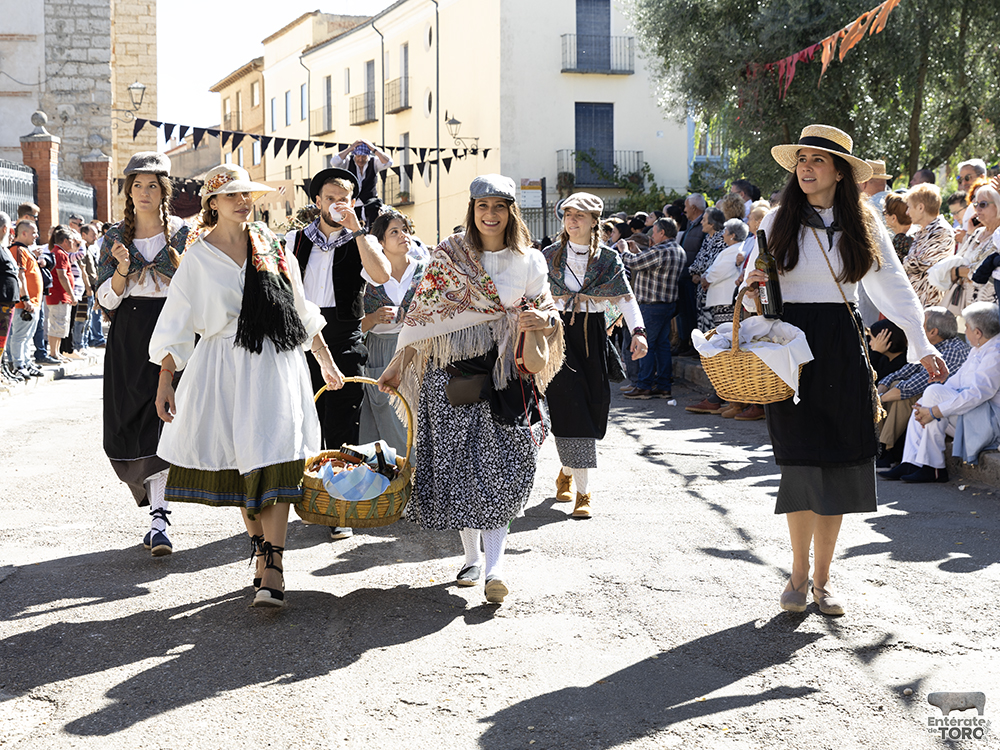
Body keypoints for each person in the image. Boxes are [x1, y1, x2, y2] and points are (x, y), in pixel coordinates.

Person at [742, 124, 947, 616]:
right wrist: (751, 289)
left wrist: (920, 344)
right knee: (800, 463)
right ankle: (795, 577)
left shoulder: (865, 223)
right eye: (801, 160)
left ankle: (823, 581)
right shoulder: (776, 220)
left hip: (842, 341)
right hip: (792, 346)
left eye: (817, 160)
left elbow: (893, 287)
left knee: (836, 463)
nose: (806, 168)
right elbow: (757, 289)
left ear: (839, 171)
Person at [150, 164, 343, 609]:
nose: (242, 201)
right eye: (231, 195)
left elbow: (297, 306)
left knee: (274, 457)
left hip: (276, 365)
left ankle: (273, 565)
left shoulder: (272, 246)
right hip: (223, 367)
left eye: (246, 194)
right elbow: (176, 320)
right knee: (243, 463)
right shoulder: (197, 256)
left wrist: (325, 360)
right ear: (212, 203)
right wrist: (166, 379)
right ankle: (259, 550)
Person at [377, 174, 564, 604]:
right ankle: (472, 559)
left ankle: (496, 565)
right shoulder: (448, 256)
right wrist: (396, 366)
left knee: (507, 467)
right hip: (454, 376)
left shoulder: (530, 260)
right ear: (473, 210)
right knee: (460, 468)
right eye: (483, 206)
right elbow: (422, 319)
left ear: (511, 212)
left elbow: (550, 309)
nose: (491, 214)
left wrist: (544, 322)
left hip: (509, 377)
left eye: (499, 206)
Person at [285, 167, 391, 541]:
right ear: (317, 202)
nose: (336, 205)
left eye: (343, 199)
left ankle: (340, 506)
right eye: (329, 198)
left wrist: (358, 229)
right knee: (303, 416)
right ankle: (307, 494)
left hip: (345, 335)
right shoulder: (295, 240)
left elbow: (380, 275)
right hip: (299, 334)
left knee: (343, 421)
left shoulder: (361, 239)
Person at [96, 152, 190, 556]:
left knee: (165, 420)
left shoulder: (185, 234)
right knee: (132, 421)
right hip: (130, 333)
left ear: (163, 191)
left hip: (173, 328)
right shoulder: (114, 237)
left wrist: (176, 265)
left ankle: (160, 517)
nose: (144, 192)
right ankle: (157, 511)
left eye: (152, 185)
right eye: (137, 185)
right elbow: (106, 301)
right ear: (129, 191)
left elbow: (195, 288)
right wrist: (121, 270)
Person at [543, 192, 647, 518]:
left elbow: (625, 298)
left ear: (593, 222)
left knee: (593, 407)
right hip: (557, 336)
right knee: (569, 408)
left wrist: (638, 333)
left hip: (592, 336)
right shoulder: (549, 256)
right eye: (568, 215)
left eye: (580, 216)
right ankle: (584, 495)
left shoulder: (607, 260)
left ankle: (568, 471)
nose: (572, 220)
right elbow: (531, 294)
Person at [881, 302, 1000, 483]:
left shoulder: (995, 353)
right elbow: (955, 381)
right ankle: (913, 462)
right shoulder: (979, 349)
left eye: (967, 327)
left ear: (978, 333)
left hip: (990, 422)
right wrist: (930, 409)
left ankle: (932, 466)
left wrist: (935, 411)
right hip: (974, 416)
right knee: (927, 400)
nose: (964, 332)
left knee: (934, 395)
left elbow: (978, 394)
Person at [359, 208, 427, 453]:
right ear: (381, 242)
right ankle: (394, 478)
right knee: (387, 415)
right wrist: (374, 317)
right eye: (395, 232)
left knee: (417, 415)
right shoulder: (368, 276)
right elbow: (356, 326)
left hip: (418, 348)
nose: (403, 236)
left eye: (405, 230)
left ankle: (418, 477)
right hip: (381, 348)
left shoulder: (425, 271)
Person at [877, 307, 969, 468]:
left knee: (905, 395)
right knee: (894, 385)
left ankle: (886, 450)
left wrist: (878, 400)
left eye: (921, 324)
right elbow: (903, 372)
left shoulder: (952, 351)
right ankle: (883, 448)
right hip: (937, 401)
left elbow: (914, 385)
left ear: (933, 331)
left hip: (954, 410)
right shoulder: (933, 346)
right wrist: (882, 388)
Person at [619, 217, 683, 400]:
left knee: (645, 346)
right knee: (662, 346)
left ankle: (644, 386)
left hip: (651, 306)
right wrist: (637, 252)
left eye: (654, 231)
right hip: (667, 305)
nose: (652, 235)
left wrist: (624, 250)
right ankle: (663, 386)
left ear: (662, 232)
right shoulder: (677, 249)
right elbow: (650, 266)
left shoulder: (660, 250)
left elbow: (633, 263)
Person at [928, 184, 1000, 321]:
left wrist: (957, 271)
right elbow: (960, 261)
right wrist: (959, 271)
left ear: (998, 205)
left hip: (989, 310)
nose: (977, 209)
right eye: (976, 204)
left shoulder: (998, 237)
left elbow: (982, 272)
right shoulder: (977, 233)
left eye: (983, 204)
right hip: (965, 309)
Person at [903, 183, 955, 306]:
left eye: (909, 207)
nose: (907, 212)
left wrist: (904, 261)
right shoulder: (922, 230)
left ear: (921, 208)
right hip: (917, 302)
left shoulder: (941, 230)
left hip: (930, 305)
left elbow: (919, 264)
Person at [6, 220, 44, 380]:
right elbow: (20, 275)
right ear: (23, 233)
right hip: (24, 304)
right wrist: (26, 298)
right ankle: (18, 364)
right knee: (20, 336)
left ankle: (26, 362)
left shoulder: (25, 250)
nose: (36, 235)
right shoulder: (18, 250)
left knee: (27, 336)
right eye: (34, 232)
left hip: (32, 303)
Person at [330, 139, 393, 226]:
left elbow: (388, 162)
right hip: (352, 202)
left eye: (363, 156)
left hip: (370, 203)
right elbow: (334, 162)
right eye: (358, 156)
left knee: (374, 222)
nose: (360, 159)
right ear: (354, 155)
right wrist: (350, 149)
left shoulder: (373, 162)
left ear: (368, 155)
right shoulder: (348, 162)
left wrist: (374, 149)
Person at [43, 226, 78, 364]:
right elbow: (62, 276)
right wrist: (72, 294)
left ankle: (56, 352)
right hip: (59, 295)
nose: (73, 243)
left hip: (60, 296)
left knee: (61, 325)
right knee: (57, 324)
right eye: (71, 240)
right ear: (65, 241)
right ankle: (53, 353)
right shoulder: (60, 254)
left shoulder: (58, 252)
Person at [882, 194, 914, 262]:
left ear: (893, 218)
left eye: (885, 212)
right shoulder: (917, 234)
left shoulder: (900, 240)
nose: (884, 216)